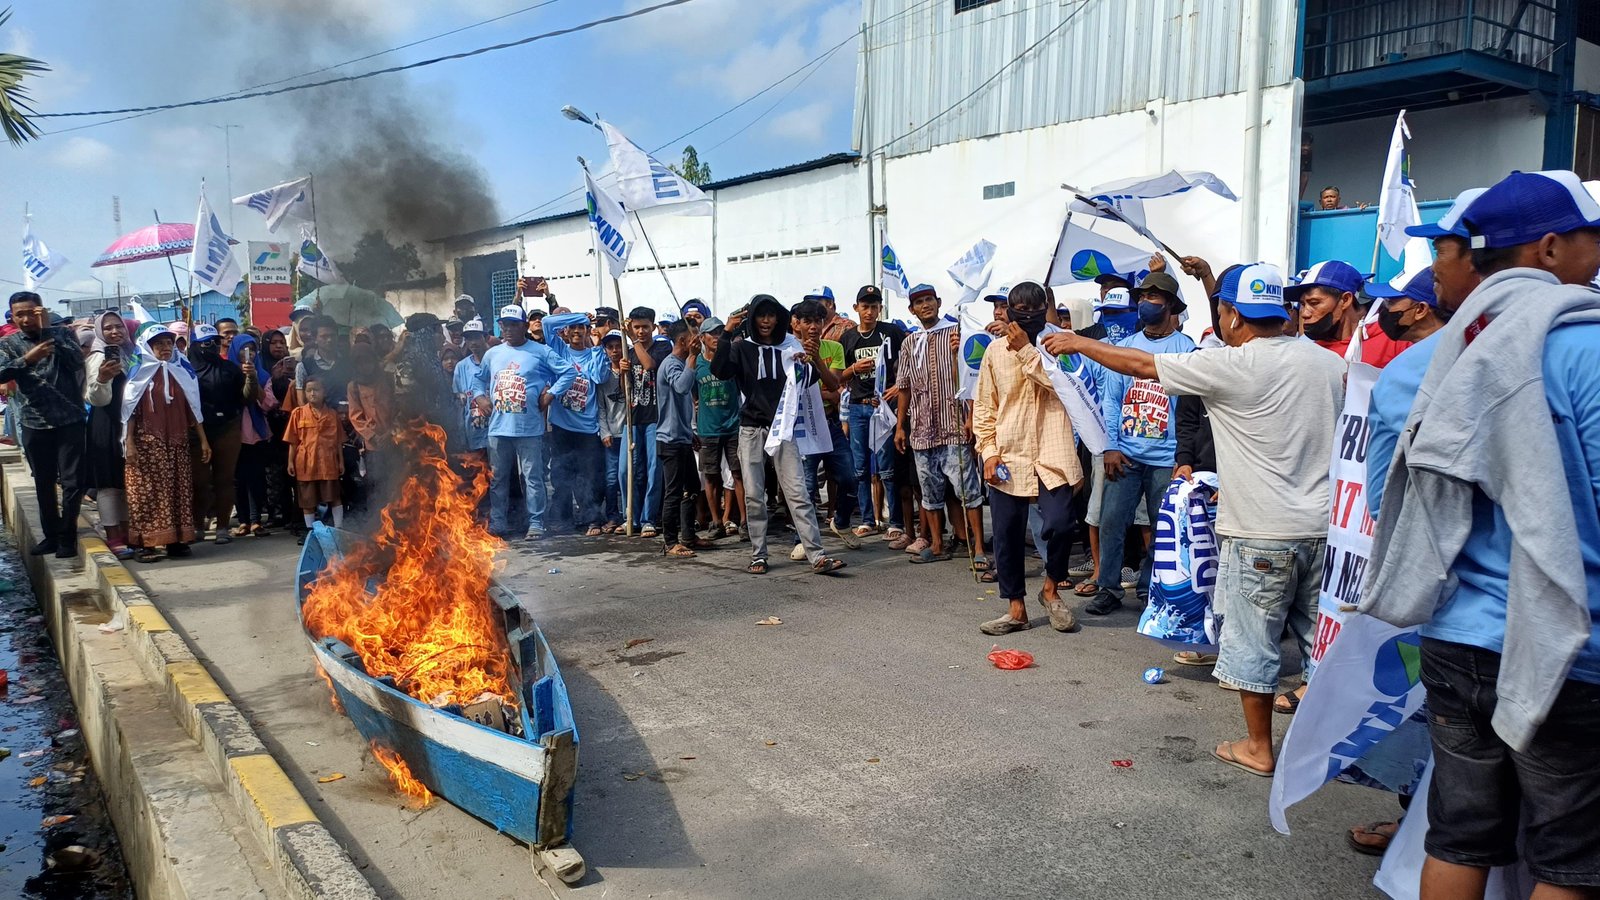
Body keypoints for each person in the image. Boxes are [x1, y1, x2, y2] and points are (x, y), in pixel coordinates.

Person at [1359, 170, 1600, 898]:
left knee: (1461, 837)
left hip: (1456, 635)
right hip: (1568, 644)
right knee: (1570, 857)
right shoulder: (1585, 347)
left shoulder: (1419, 366)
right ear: (1553, 248)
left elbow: (1385, 503)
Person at [1044, 263, 1345, 777]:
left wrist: (1077, 342)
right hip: (1325, 529)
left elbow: (1140, 366)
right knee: (1321, 642)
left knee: (1253, 643)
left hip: (1260, 533)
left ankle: (1258, 746)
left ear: (1231, 315)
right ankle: (1330, 747)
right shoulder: (1329, 364)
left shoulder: (1232, 364)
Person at [973, 281, 1084, 635]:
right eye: (1020, 310)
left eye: (1036, 311)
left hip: (1054, 451)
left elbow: (1062, 386)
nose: (1028, 317)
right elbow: (985, 408)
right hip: (1009, 452)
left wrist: (1026, 350)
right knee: (1006, 533)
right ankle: (1015, 609)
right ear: (1008, 310)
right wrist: (988, 452)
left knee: (1062, 524)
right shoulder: (993, 351)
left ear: (1045, 308)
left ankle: (1050, 590)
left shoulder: (1062, 345)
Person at [1084, 271, 1197, 616]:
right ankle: (1109, 588)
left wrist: (1184, 456)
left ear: (1171, 305)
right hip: (1126, 454)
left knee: (1162, 528)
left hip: (1167, 458)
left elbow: (1189, 410)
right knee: (1112, 521)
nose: (1146, 301)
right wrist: (1111, 446)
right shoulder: (1124, 348)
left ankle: (1150, 586)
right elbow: (1112, 400)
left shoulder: (1186, 348)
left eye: (1154, 296)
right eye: (1143, 295)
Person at [710, 294, 846, 575]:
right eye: (761, 315)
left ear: (779, 319)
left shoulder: (791, 345)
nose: (766, 321)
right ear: (752, 318)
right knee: (754, 494)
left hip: (783, 429)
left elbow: (809, 382)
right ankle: (758, 554)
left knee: (797, 492)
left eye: (772, 315)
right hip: (750, 428)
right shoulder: (741, 348)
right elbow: (720, 370)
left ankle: (817, 555)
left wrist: (809, 360)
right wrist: (726, 330)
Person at [895, 284, 985, 566]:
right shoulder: (910, 343)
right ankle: (935, 544)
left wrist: (971, 417)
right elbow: (904, 387)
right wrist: (900, 425)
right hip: (922, 428)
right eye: (919, 302)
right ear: (912, 309)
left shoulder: (956, 333)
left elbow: (972, 378)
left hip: (954, 425)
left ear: (938, 301)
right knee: (929, 490)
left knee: (967, 488)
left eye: (929, 300)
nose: (925, 305)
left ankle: (978, 547)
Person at [470, 305, 579, 540]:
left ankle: (536, 522)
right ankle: (499, 522)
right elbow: (478, 381)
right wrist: (480, 398)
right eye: (504, 324)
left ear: (523, 326)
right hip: (498, 428)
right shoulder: (492, 353)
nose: (508, 329)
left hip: (529, 428)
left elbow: (568, 372)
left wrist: (551, 394)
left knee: (533, 477)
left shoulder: (540, 351)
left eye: (513, 324)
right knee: (498, 478)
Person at [0, 292, 88, 558]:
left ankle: (67, 536)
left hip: (69, 419)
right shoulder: (9, 343)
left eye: (32, 312)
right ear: (13, 316)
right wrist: (28, 359)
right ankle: (50, 535)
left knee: (73, 482)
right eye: (20, 314)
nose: (26, 319)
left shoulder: (62, 335)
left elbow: (76, 363)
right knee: (43, 482)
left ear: (41, 311)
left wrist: (49, 331)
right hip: (34, 421)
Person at [122, 324, 210, 562]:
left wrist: (203, 440)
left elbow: (193, 408)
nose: (165, 348)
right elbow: (128, 411)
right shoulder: (140, 373)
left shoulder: (181, 371)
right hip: (147, 444)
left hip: (178, 442)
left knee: (178, 491)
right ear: (148, 347)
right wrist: (129, 442)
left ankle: (176, 541)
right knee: (147, 493)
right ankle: (145, 544)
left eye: (169, 343)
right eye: (159, 344)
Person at [839, 285, 906, 538]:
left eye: (875, 306)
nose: (870, 311)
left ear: (881, 308)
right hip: (858, 407)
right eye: (865, 306)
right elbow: (838, 377)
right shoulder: (847, 338)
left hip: (883, 407)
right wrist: (854, 369)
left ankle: (895, 522)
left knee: (887, 468)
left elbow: (908, 362)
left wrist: (899, 387)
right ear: (856, 308)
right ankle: (867, 518)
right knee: (860, 467)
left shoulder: (891, 332)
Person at [791, 299, 859, 547]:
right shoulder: (787, 349)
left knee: (850, 477)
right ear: (796, 323)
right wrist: (826, 394)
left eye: (818, 321)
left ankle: (841, 522)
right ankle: (803, 539)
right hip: (801, 426)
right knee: (806, 487)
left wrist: (817, 358)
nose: (813, 327)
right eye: (807, 321)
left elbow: (834, 385)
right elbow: (793, 393)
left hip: (829, 423)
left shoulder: (834, 348)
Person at [542, 312, 612, 536]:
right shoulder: (559, 351)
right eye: (572, 328)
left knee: (589, 477)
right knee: (561, 475)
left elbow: (601, 377)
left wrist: (599, 345)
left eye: (581, 328)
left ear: (587, 331)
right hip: (561, 427)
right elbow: (546, 323)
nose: (576, 332)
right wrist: (579, 316)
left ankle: (592, 519)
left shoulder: (593, 354)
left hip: (587, 429)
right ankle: (562, 520)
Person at [189, 324, 254, 545]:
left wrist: (250, 379)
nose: (214, 347)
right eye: (207, 343)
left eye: (216, 342)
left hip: (227, 428)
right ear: (196, 346)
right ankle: (198, 525)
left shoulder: (231, 369)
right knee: (199, 482)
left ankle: (223, 527)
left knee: (224, 480)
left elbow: (247, 398)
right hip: (197, 432)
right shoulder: (186, 371)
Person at [85, 312, 136, 558]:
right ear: (99, 332)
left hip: (126, 423)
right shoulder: (96, 358)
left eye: (119, 327)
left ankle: (127, 534)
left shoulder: (129, 354)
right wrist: (104, 379)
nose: (115, 332)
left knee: (125, 481)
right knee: (109, 483)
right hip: (106, 424)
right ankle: (114, 536)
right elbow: (95, 398)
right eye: (108, 328)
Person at [656, 320, 707, 557]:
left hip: (682, 437)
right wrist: (693, 359)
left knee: (692, 488)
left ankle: (688, 536)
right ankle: (669, 542)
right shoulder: (671, 364)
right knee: (674, 492)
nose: (698, 341)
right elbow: (682, 387)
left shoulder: (680, 362)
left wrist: (690, 432)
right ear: (682, 341)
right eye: (694, 337)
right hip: (670, 440)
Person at [621, 306, 669, 536]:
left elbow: (650, 365)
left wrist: (633, 342)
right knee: (627, 470)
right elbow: (626, 389)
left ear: (653, 326)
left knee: (652, 468)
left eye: (645, 327)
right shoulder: (627, 351)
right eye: (636, 327)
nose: (640, 331)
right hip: (632, 417)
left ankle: (649, 518)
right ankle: (630, 515)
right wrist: (621, 372)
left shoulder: (662, 346)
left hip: (653, 417)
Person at [694, 317, 743, 538]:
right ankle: (716, 522)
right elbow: (692, 395)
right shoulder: (696, 363)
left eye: (719, 332)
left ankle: (743, 522)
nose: (715, 337)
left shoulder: (733, 358)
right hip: (708, 428)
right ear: (702, 338)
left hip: (733, 426)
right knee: (711, 477)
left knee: (738, 474)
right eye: (711, 333)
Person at [227, 331, 279, 537]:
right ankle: (243, 520)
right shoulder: (228, 373)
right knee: (238, 479)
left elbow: (268, 403)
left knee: (256, 478)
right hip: (233, 433)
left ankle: (257, 520)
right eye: (243, 350)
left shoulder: (263, 374)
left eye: (252, 349)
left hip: (256, 433)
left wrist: (253, 379)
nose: (248, 354)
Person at [284, 375, 344, 541]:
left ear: (324, 392)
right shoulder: (298, 414)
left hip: (328, 462)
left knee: (334, 496)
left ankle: (338, 530)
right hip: (305, 463)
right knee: (307, 500)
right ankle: (311, 532)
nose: (312, 394)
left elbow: (339, 441)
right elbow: (292, 441)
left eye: (316, 390)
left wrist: (341, 462)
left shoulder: (332, 415)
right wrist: (290, 462)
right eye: (308, 390)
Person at [261, 329, 296, 530]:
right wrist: (274, 379)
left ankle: (296, 515)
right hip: (271, 428)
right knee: (275, 473)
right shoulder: (262, 368)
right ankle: (277, 512)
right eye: (273, 342)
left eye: (282, 342)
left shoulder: (295, 366)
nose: (278, 346)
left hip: (292, 425)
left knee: (294, 472)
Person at [596, 330, 628, 532]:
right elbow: (600, 407)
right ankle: (613, 516)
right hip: (611, 434)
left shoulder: (632, 370)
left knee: (629, 475)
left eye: (619, 346)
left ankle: (629, 514)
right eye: (611, 347)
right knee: (611, 477)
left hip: (629, 433)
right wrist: (604, 431)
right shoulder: (603, 374)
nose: (615, 351)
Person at [452, 318, 490, 465]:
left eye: (476, 337)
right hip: (474, 431)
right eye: (468, 338)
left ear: (485, 338)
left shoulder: (497, 360)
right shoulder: (461, 367)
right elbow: (459, 397)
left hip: (499, 430)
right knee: (479, 476)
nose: (473, 342)